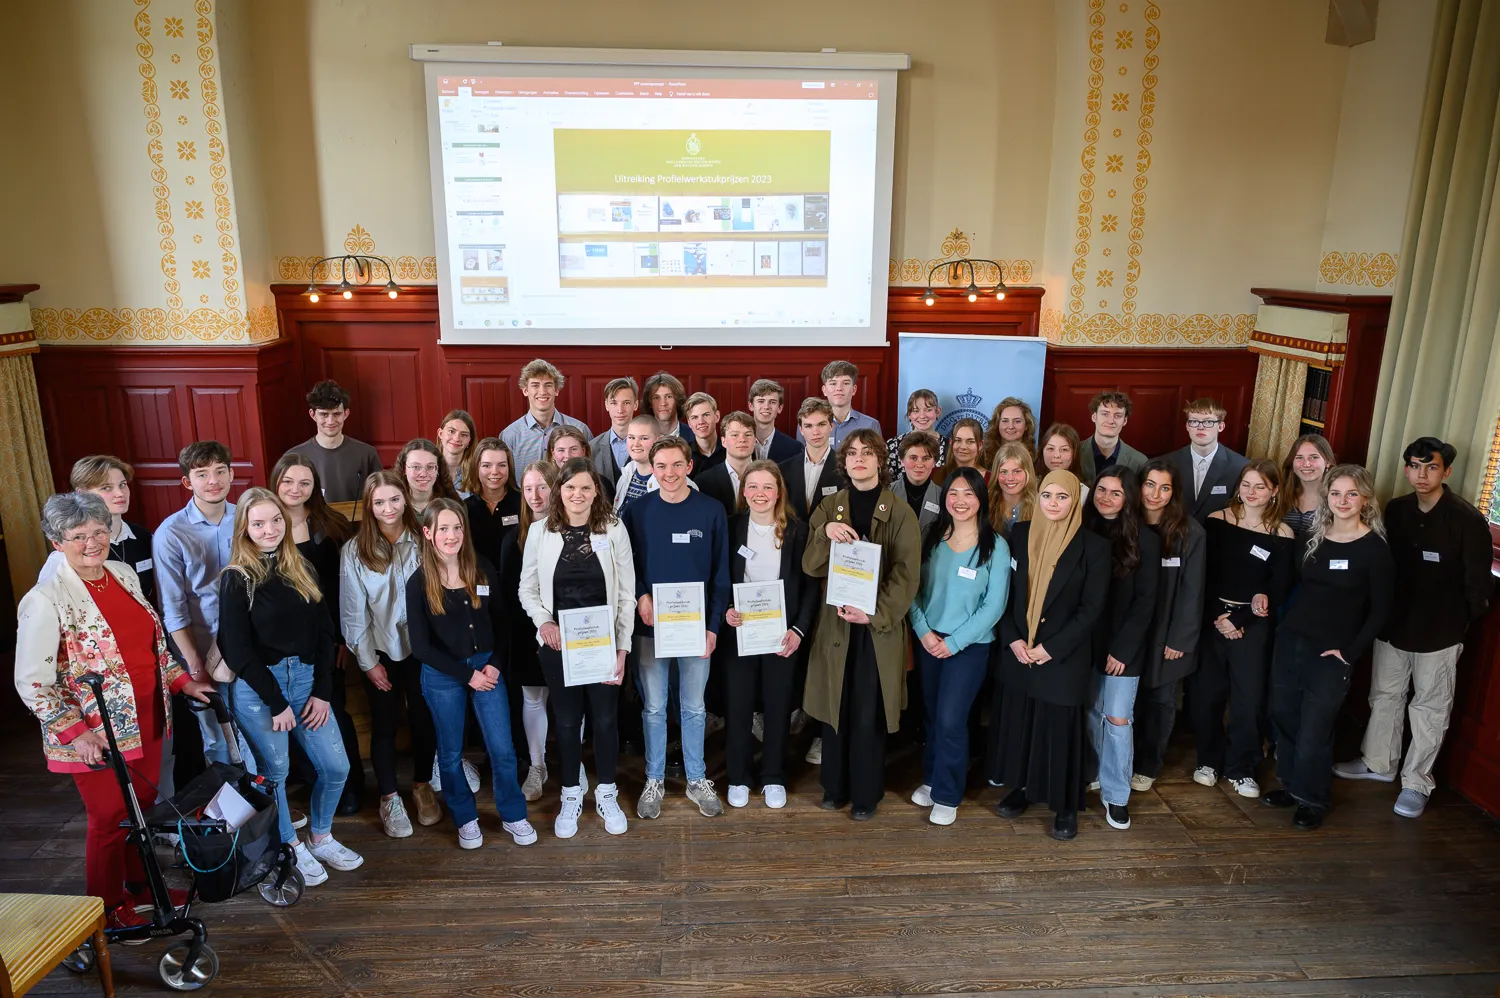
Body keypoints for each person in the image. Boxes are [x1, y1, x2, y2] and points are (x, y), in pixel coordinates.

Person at [15, 492, 213, 932]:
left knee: (140, 811)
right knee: (109, 821)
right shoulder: (45, 599)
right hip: (96, 735)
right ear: (57, 543)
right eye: (78, 536)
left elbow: (153, 647)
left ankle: (141, 888)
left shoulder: (121, 573)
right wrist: (78, 734)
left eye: (99, 531)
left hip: (147, 717)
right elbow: (32, 683)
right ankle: (103, 911)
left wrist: (183, 682)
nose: (92, 542)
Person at [1334, 438, 1493, 818]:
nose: (1422, 474)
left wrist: (1458, 623)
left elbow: (1479, 587)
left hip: (1440, 633)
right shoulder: (1397, 509)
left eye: (1431, 467)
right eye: (1415, 466)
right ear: (1406, 469)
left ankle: (1417, 783)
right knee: (1384, 696)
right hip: (1394, 625)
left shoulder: (1467, 520)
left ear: (1446, 471)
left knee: (1429, 709)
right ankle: (1378, 763)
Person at [218, 487, 362, 886]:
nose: (269, 529)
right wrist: (276, 702)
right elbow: (237, 651)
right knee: (276, 772)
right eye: (258, 523)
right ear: (244, 529)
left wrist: (322, 691)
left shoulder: (302, 567)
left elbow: (325, 634)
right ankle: (289, 844)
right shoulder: (237, 578)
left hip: (306, 681)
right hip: (260, 690)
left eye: (275, 520)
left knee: (336, 767)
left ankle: (321, 836)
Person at [1264, 465, 1394, 830]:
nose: (1343, 501)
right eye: (1336, 493)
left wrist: (1350, 653)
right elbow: (1292, 586)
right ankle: (1290, 785)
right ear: (1326, 497)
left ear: (1365, 499)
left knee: (1314, 730)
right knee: (1284, 716)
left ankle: (1312, 798)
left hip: (1332, 654)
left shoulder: (1375, 549)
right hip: (1291, 642)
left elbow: (1381, 610)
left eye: (1351, 494)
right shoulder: (1313, 537)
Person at [406, 498, 538, 849]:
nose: (452, 535)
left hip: (487, 667)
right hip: (443, 675)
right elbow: (421, 648)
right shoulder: (418, 582)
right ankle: (465, 818)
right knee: (450, 754)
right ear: (428, 533)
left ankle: (513, 814)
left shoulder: (481, 568)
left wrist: (494, 663)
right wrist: (468, 677)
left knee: (503, 749)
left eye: (457, 527)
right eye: (443, 529)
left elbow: (503, 622)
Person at [803, 429, 921, 819]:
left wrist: (873, 614)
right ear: (844, 462)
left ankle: (866, 795)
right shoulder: (830, 506)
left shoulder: (899, 512)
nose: (859, 458)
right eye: (852, 452)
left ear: (880, 461)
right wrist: (825, 532)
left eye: (867, 452)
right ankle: (834, 788)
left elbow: (906, 577)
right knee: (836, 705)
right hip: (836, 625)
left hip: (875, 628)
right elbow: (810, 564)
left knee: (868, 711)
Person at [989, 470, 1111, 840]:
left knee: (1059, 733)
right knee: (1023, 724)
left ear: (1075, 501)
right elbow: (1005, 593)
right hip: (1019, 652)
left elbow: (1091, 610)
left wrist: (1050, 648)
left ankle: (1065, 806)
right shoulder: (1020, 533)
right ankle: (1023, 788)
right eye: (1047, 495)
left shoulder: (1095, 547)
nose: (1053, 503)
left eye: (1062, 496)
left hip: (1063, 657)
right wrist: (1012, 639)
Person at [519, 458, 636, 837]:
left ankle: (607, 793)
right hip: (558, 644)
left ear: (596, 491)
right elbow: (527, 588)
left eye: (586, 487)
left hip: (603, 644)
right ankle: (571, 793)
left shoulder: (613, 528)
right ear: (559, 491)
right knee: (567, 721)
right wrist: (544, 622)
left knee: (604, 720)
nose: (578, 494)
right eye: (570, 487)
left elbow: (626, 594)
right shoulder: (540, 531)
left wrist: (622, 648)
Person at [622, 436, 732, 819]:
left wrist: (713, 627)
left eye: (676, 465)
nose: (669, 473)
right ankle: (653, 778)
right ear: (652, 469)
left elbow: (721, 575)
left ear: (689, 466)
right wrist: (641, 596)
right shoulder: (636, 511)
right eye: (661, 466)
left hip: (696, 628)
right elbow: (625, 566)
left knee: (694, 707)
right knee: (654, 706)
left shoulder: (711, 511)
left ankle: (697, 779)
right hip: (650, 627)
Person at [341, 470, 442, 837]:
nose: (389, 508)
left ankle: (421, 785)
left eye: (395, 499)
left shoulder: (424, 538)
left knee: (423, 719)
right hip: (381, 648)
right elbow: (353, 614)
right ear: (369, 506)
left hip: (423, 648)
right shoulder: (355, 551)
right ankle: (389, 797)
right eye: (379, 502)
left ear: (405, 499)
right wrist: (369, 663)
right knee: (384, 725)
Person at [907, 467, 1010, 825]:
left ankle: (948, 795)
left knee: (952, 719)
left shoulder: (996, 546)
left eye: (969, 493)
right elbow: (911, 589)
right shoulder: (931, 536)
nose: (960, 500)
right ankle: (933, 778)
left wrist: (954, 642)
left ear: (981, 498)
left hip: (969, 647)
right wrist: (923, 631)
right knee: (932, 716)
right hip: (929, 640)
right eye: (953, 493)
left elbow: (994, 606)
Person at [1191, 460, 1294, 797]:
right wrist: (1220, 617)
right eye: (1246, 485)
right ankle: (1208, 761)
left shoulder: (1282, 534)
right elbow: (1202, 576)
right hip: (1212, 619)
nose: (1251, 492)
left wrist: (1240, 620)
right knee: (1207, 696)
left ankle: (1242, 768)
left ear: (1274, 491)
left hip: (1254, 625)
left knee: (1248, 700)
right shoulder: (1217, 521)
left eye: (1260, 486)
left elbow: (1279, 588)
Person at [722, 461, 818, 809]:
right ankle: (738, 776)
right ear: (743, 492)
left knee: (778, 707)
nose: (759, 494)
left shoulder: (798, 531)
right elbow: (718, 576)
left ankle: (774, 776)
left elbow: (810, 587)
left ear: (779, 492)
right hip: (740, 633)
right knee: (739, 706)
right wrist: (725, 610)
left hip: (782, 635)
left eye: (767, 487)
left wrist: (799, 630)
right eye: (752, 486)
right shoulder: (731, 527)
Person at [271, 453, 363, 815]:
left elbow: (345, 589)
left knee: (332, 708)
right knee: (292, 714)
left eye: (304, 483)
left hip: (326, 637)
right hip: (280, 642)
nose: (295, 489)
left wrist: (342, 639)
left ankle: (350, 788)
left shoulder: (332, 525)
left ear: (315, 487)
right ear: (276, 482)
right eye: (288, 481)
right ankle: (312, 783)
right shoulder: (264, 524)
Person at [1082, 467, 1160, 831]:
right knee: (1089, 711)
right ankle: (1092, 774)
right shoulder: (1082, 529)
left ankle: (1116, 795)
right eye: (1101, 490)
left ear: (1129, 497)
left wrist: (1123, 650)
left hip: (1124, 646)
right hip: (1086, 640)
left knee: (1116, 717)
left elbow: (1146, 602)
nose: (1106, 498)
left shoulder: (1146, 539)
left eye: (1115, 492)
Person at [154, 440, 240, 765]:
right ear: (187, 482)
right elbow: (172, 608)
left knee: (252, 731)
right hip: (202, 648)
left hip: (246, 645)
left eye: (220, 471)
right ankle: (226, 797)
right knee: (217, 739)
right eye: (202, 474)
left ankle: (260, 795)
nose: (213, 481)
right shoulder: (171, 533)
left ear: (231, 474)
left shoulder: (248, 518)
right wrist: (195, 664)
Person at [1131, 459, 1205, 792]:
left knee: (1160, 700)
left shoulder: (1190, 532)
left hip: (1169, 633)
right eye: (1150, 484)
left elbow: (1193, 591)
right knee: (1128, 700)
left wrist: (1180, 639)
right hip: (1134, 630)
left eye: (1164, 488)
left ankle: (1148, 765)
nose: (1155, 494)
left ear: (1174, 493)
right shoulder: (1128, 522)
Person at [501, 462, 561, 801]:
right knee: (533, 698)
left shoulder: (572, 532)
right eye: (528, 489)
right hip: (527, 633)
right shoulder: (514, 539)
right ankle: (537, 766)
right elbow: (512, 597)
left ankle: (573, 764)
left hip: (567, 631)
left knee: (570, 701)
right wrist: (536, 632)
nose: (535, 496)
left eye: (542, 487)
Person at [41, 456, 157, 602]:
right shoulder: (65, 554)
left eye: (122, 485)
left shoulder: (143, 536)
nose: (120, 493)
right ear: (82, 493)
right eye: (106, 488)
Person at [287, 380, 383, 504]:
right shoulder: (293, 457)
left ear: (346, 414)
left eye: (336, 414)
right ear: (313, 415)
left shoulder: (367, 454)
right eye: (324, 414)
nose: (331, 421)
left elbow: (380, 497)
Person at [1165, 398, 1249, 522]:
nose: (1200, 427)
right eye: (1194, 421)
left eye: (1208, 422)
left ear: (1221, 426)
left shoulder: (1241, 466)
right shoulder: (1168, 462)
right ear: (1187, 426)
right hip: (1175, 531)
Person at [501, 358, 592, 470]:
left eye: (548, 385)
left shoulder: (580, 429)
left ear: (556, 390)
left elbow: (591, 472)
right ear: (525, 391)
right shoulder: (510, 436)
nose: (542, 392)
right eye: (535, 385)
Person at [463, 436, 522, 570]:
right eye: (486, 465)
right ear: (476, 468)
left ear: (509, 467)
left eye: (502, 465)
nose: (495, 471)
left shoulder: (524, 504)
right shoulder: (464, 508)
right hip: (478, 580)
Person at [780, 398, 842, 521]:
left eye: (821, 424)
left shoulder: (845, 467)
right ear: (801, 430)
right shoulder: (783, 469)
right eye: (808, 426)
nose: (815, 432)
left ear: (831, 426)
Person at [798, 359, 881, 449]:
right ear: (824, 390)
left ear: (854, 390)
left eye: (845, 383)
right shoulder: (807, 423)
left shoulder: (870, 425)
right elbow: (802, 455)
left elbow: (877, 456)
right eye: (833, 383)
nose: (839, 388)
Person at [696, 410, 757, 516]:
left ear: (755, 440)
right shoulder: (703, 482)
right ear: (723, 441)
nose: (742, 440)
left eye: (748, 434)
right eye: (735, 435)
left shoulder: (769, 477)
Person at [1080, 391, 1147, 483]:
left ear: (1125, 421)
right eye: (1105, 414)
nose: (1111, 421)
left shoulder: (1139, 462)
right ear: (1094, 417)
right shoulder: (1074, 453)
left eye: (1118, 416)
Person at [1281, 434, 1335, 538]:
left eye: (1314, 457)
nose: (1306, 464)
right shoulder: (1280, 493)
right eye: (1299, 457)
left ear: (1327, 462)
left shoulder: (1336, 498)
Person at [891, 431, 943, 533]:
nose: (919, 464)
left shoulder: (943, 497)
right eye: (913, 458)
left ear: (934, 462)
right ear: (902, 461)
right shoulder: (886, 493)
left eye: (926, 458)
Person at [886, 389, 947, 477]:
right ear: (909, 415)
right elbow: (887, 480)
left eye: (928, 410)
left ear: (937, 412)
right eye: (916, 411)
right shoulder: (893, 445)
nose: (922, 416)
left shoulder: (950, 447)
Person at [590, 377, 638, 485]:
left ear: (635, 405)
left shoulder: (649, 445)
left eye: (626, 403)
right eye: (614, 403)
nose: (620, 410)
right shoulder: (592, 448)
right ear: (606, 405)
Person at [395, 438, 460, 517]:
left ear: (438, 469)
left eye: (430, 467)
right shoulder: (391, 506)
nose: (423, 474)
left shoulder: (454, 505)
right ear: (404, 469)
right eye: (416, 467)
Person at [987, 441, 1038, 536]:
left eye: (1017, 471)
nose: (1010, 478)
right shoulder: (985, 504)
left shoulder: (1040, 507)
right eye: (1004, 472)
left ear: (1028, 473)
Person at [615, 415, 662, 511]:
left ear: (658, 441)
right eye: (631, 437)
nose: (636, 444)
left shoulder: (670, 481)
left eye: (644, 438)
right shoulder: (625, 475)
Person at [749, 378, 803, 463]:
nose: (766, 407)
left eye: (772, 402)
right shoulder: (735, 445)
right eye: (761, 401)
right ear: (751, 406)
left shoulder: (794, 448)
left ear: (780, 408)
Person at [982, 397, 1037, 466]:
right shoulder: (984, 457)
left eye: (1017, 421)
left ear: (1026, 425)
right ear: (997, 424)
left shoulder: (1036, 459)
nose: (1011, 426)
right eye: (1005, 421)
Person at [684, 391, 726, 481]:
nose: (701, 422)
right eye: (694, 417)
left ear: (717, 416)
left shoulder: (730, 451)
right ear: (689, 423)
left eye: (706, 415)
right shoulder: (683, 454)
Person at [436, 409, 477, 495]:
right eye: (451, 431)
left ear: (470, 440)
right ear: (440, 433)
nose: (456, 438)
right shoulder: (427, 469)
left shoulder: (477, 472)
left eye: (464, 435)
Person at [643, 370, 692, 439]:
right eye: (656, 397)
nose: (663, 403)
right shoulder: (640, 437)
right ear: (650, 403)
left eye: (669, 396)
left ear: (678, 400)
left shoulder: (694, 436)